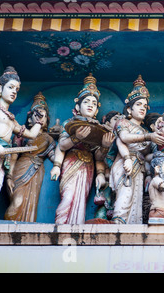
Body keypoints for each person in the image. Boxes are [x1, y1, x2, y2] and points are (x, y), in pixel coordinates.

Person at [51, 74, 114, 224]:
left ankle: (75, 228)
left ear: (97, 109)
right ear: (78, 107)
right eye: (86, 102)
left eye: (94, 103)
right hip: (71, 162)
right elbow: (62, 145)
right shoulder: (70, 123)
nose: (90, 105)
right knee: (68, 196)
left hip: (88, 167)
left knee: (81, 200)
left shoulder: (99, 129)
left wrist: (104, 147)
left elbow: (98, 157)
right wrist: (56, 166)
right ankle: (61, 227)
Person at [110, 75, 164, 224]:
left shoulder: (144, 131)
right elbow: (124, 138)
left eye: (144, 106)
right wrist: (148, 137)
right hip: (125, 163)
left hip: (139, 167)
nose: (142, 108)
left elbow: (146, 153)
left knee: (136, 201)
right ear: (129, 109)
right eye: (139, 104)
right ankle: (117, 227)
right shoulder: (123, 123)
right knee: (125, 196)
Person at [4, 92, 56, 222]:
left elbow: (54, 158)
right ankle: (9, 228)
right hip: (21, 168)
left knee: (30, 202)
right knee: (17, 202)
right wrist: (9, 176)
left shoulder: (48, 138)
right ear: (29, 119)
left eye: (43, 116)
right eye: (36, 114)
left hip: (36, 171)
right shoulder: (22, 133)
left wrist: (66, 138)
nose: (40, 118)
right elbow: (14, 155)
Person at [0, 67, 43, 199]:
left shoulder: (12, 120)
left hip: (1, 159)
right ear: (0, 89)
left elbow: (31, 135)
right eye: (10, 87)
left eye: (16, 90)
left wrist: (39, 122)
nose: (14, 92)